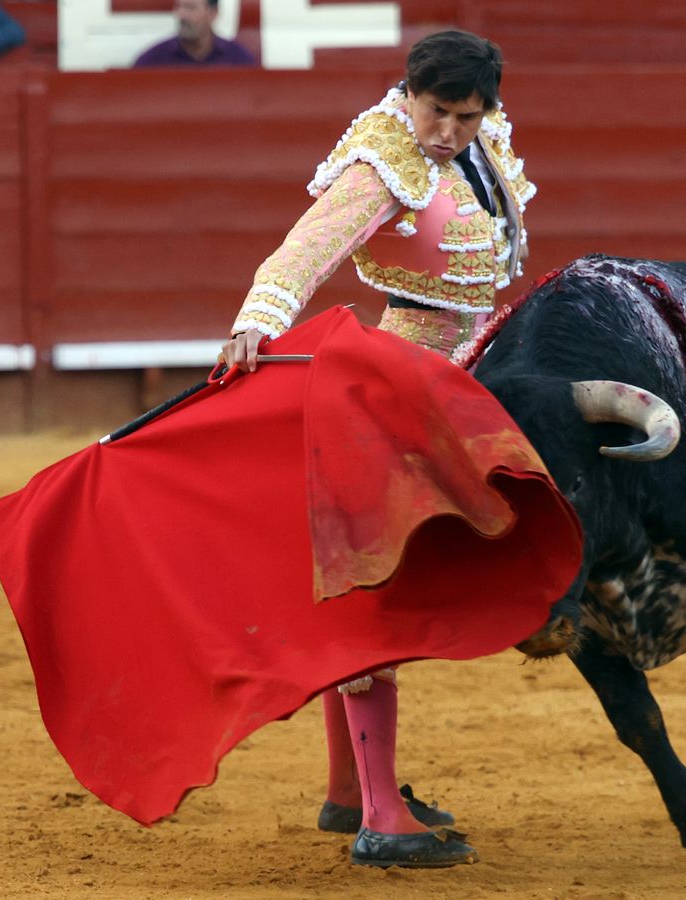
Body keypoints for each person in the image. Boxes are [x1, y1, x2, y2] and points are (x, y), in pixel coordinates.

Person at [216, 29, 536, 869]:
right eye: (439, 113)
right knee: (376, 592)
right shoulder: (383, 158)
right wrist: (258, 321)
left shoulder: (482, 143)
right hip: (403, 380)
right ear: (410, 95)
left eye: (467, 117)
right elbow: (309, 246)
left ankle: (349, 789)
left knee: (384, 583)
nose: (450, 134)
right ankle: (380, 814)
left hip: (475, 366)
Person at [131, 0, 253, 68]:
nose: (181, 15)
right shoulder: (151, 62)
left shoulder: (239, 60)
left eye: (190, 8)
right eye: (178, 7)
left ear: (213, 14)